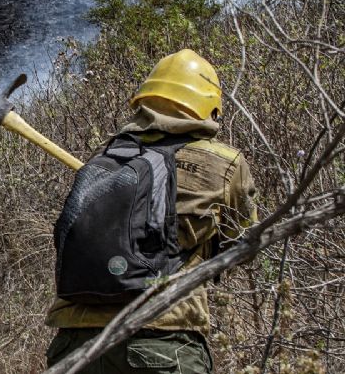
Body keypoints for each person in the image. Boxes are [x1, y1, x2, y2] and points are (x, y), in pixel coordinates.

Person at [46, 49, 258, 373]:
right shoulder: (225, 163)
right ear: (209, 107)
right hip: (163, 340)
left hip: (75, 344)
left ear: (144, 102)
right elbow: (243, 244)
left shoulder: (103, 159)